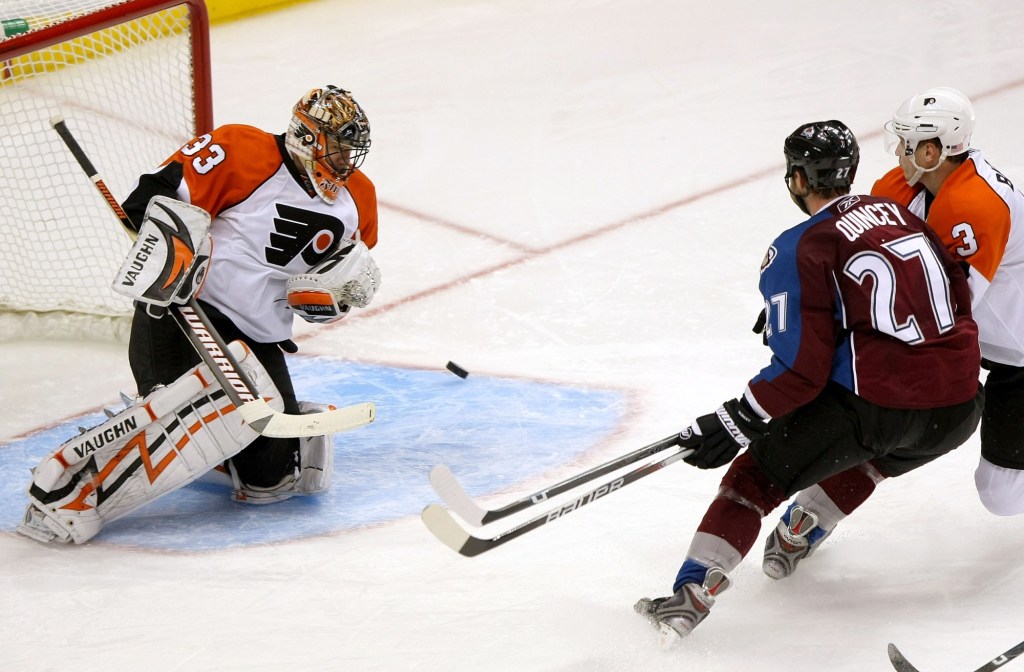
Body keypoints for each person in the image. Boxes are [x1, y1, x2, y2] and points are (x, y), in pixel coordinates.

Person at [634, 120, 983, 644]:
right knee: (873, 459)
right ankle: (801, 531)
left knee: (754, 478)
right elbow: (956, 296)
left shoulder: (799, 245)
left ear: (798, 179)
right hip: (958, 410)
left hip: (878, 410)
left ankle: (686, 600)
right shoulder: (903, 215)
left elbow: (801, 371)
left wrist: (735, 420)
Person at [120, 84, 380, 503]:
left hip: (256, 335)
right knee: (168, 424)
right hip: (185, 310)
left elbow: (342, 279)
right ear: (307, 135)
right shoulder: (240, 149)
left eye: (351, 152)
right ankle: (151, 431)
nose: (345, 163)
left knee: (269, 481)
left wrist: (336, 296)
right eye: (337, 149)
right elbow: (150, 195)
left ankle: (228, 441)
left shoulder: (359, 199)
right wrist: (166, 242)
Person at [870, 87, 1024, 516]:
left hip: (1019, 353)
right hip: (988, 339)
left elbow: (948, 308)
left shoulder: (974, 205)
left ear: (933, 151)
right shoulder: (904, 184)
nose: (898, 150)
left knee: (1003, 496)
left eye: (907, 143)